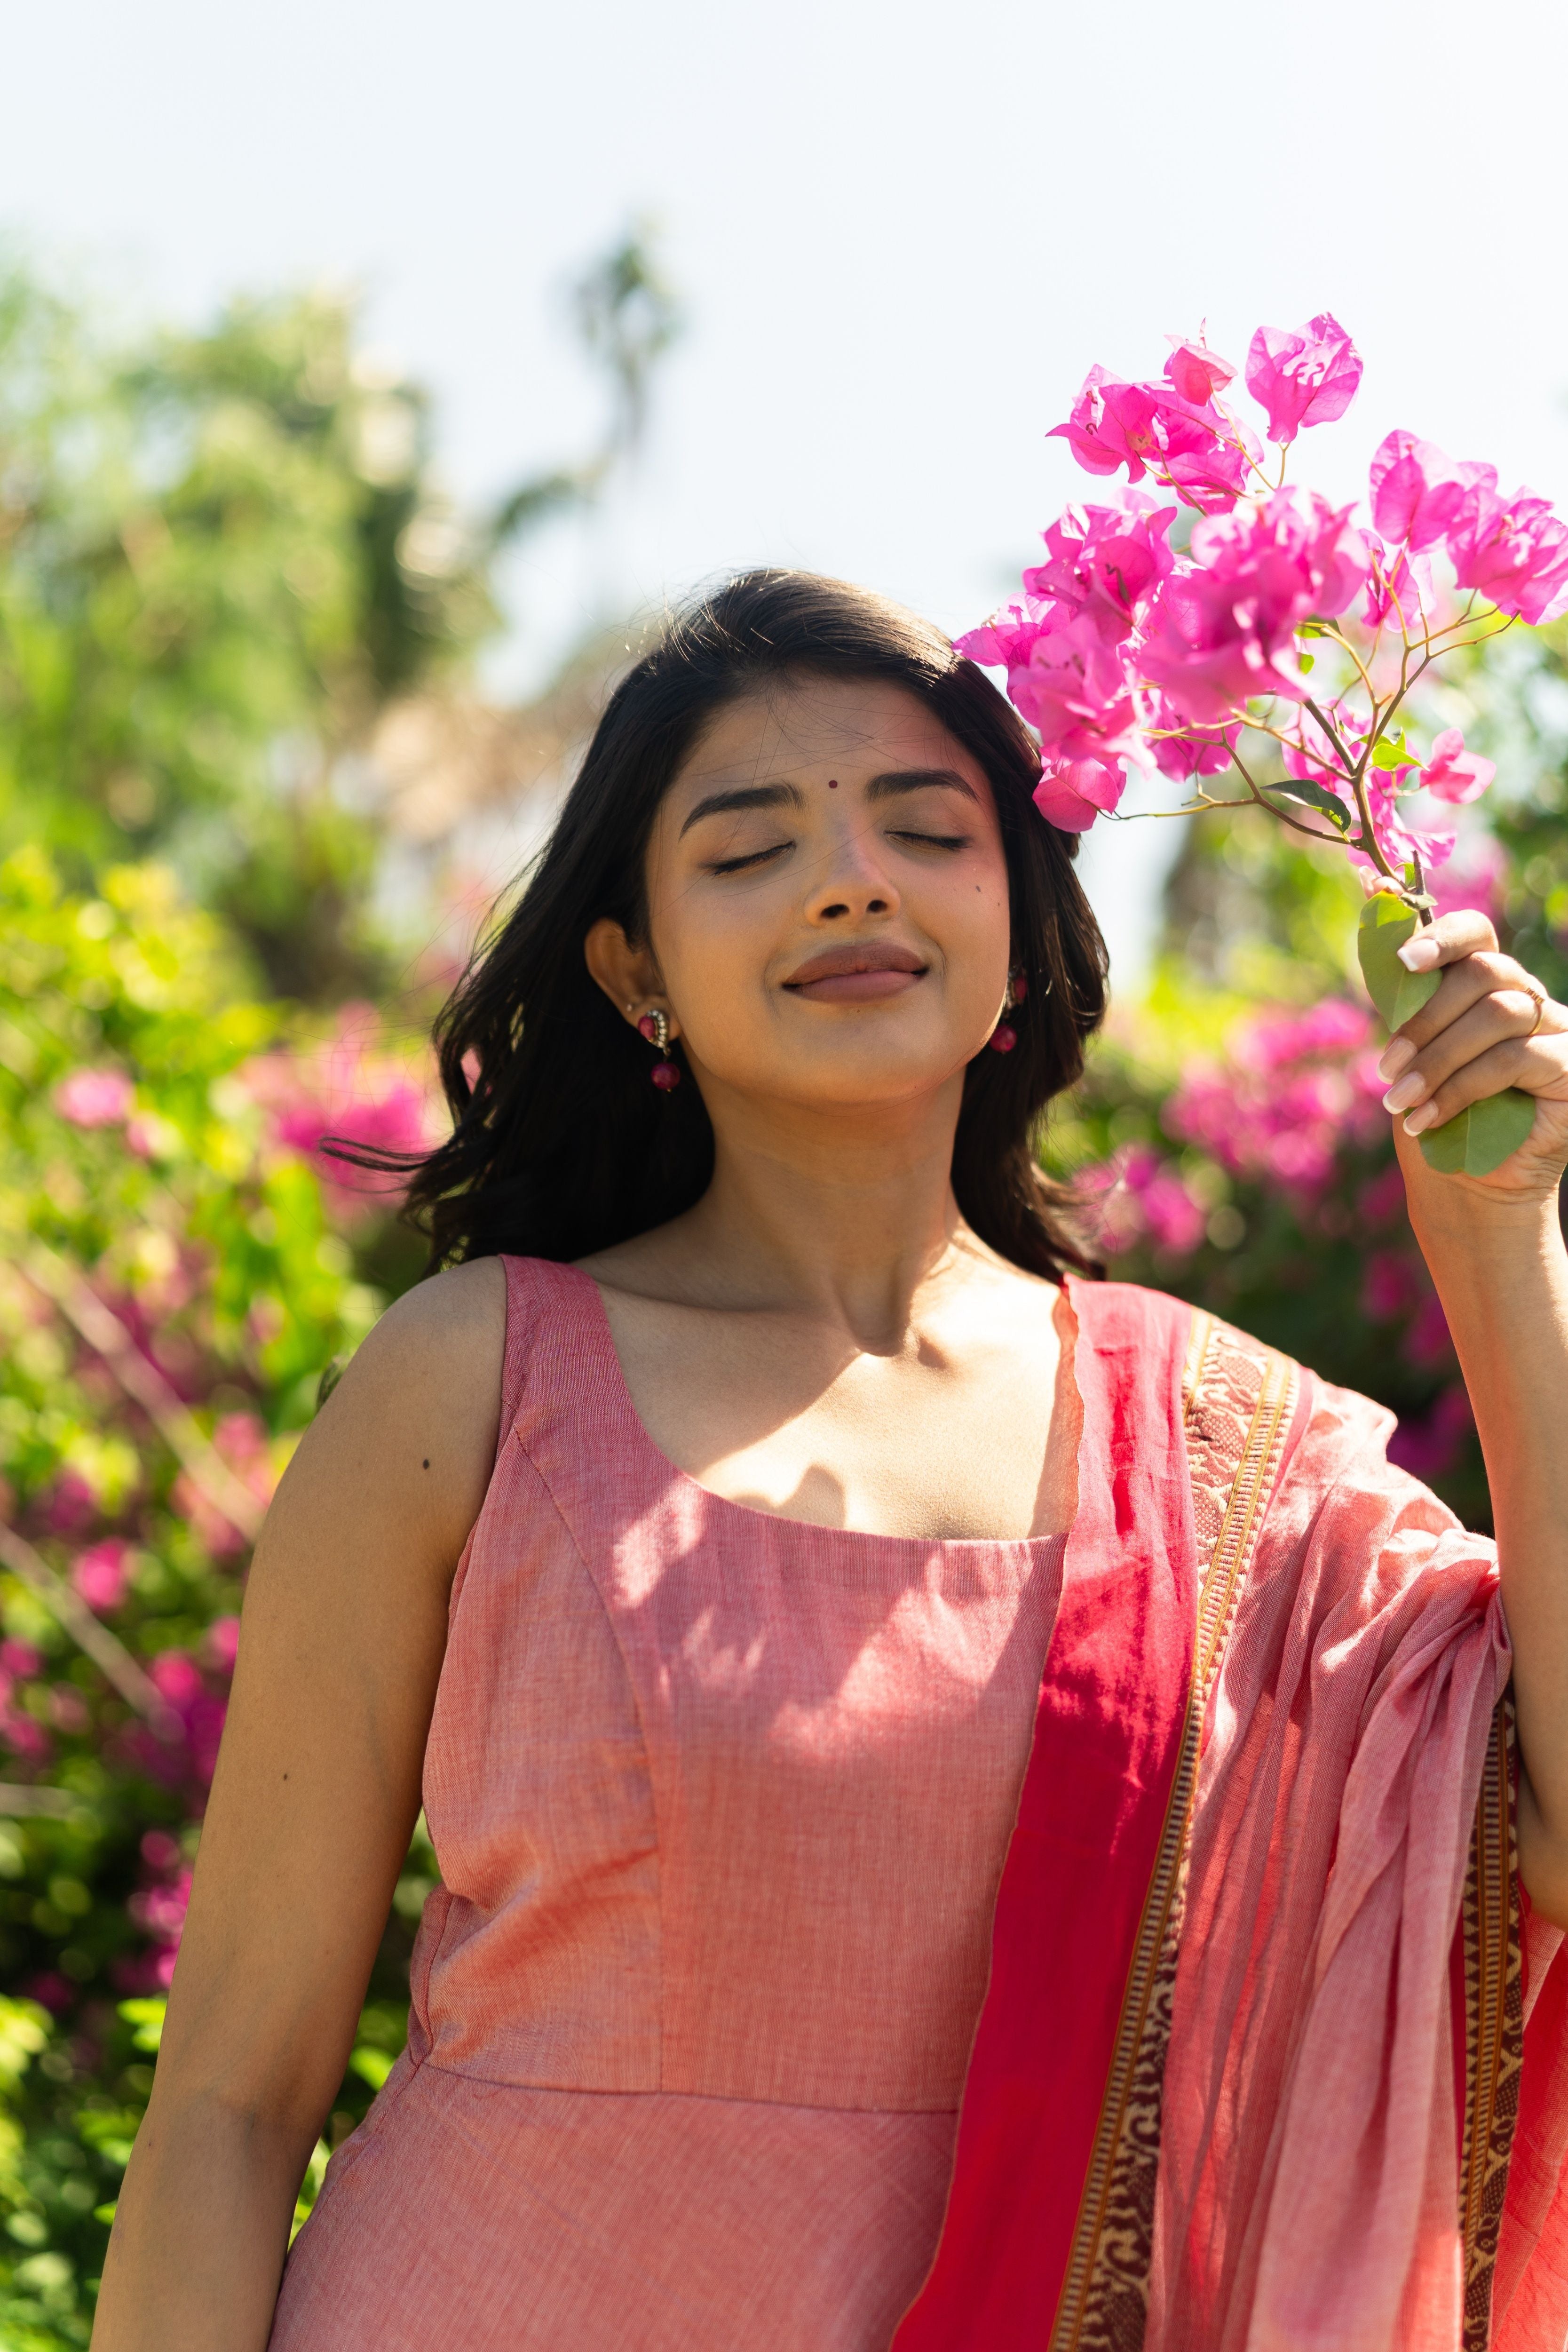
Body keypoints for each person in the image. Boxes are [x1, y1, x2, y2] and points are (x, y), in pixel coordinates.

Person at [92, 572, 1568, 2352]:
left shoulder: (1218, 1446)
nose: (850, 879)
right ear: (632, 966)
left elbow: (1545, 1846)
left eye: (927, 827)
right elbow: (234, 2104)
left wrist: (1502, 1248)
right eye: (745, 849)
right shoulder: (475, 1386)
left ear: (1020, 920)